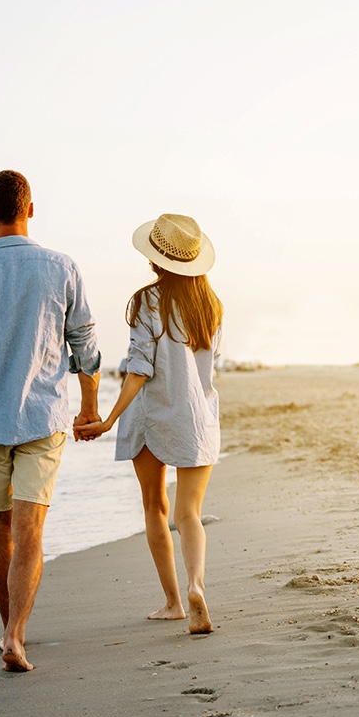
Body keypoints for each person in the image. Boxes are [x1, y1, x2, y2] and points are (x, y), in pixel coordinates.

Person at [0, 169, 102, 672]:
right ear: (30, 210)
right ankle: (16, 635)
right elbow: (85, 346)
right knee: (30, 531)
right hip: (42, 419)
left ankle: (8, 632)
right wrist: (90, 406)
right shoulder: (61, 267)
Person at [75, 214, 222, 635]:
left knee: (155, 507)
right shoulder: (212, 306)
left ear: (157, 259)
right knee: (189, 513)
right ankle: (196, 585)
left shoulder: (147, 301)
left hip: (149, 415)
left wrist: (107, 420)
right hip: (195, 416)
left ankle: (174, 603)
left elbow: (139, 369)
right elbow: (208, 368)